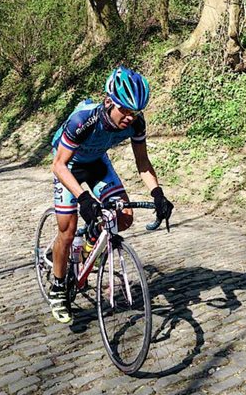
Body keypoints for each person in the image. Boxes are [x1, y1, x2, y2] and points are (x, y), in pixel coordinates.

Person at [48, 66, 174, 323]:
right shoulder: (83, 120)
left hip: (97, 164)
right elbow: (58, 165)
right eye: (124, 110)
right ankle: (59, 288)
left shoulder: (136, 123)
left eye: (134, 112)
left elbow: (143, 162)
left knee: (124, 216)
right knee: (67, 229)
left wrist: (158, 193)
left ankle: (89, 244)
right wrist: (83, 198)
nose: (129, 117)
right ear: (109, 102)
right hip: (68, 166)